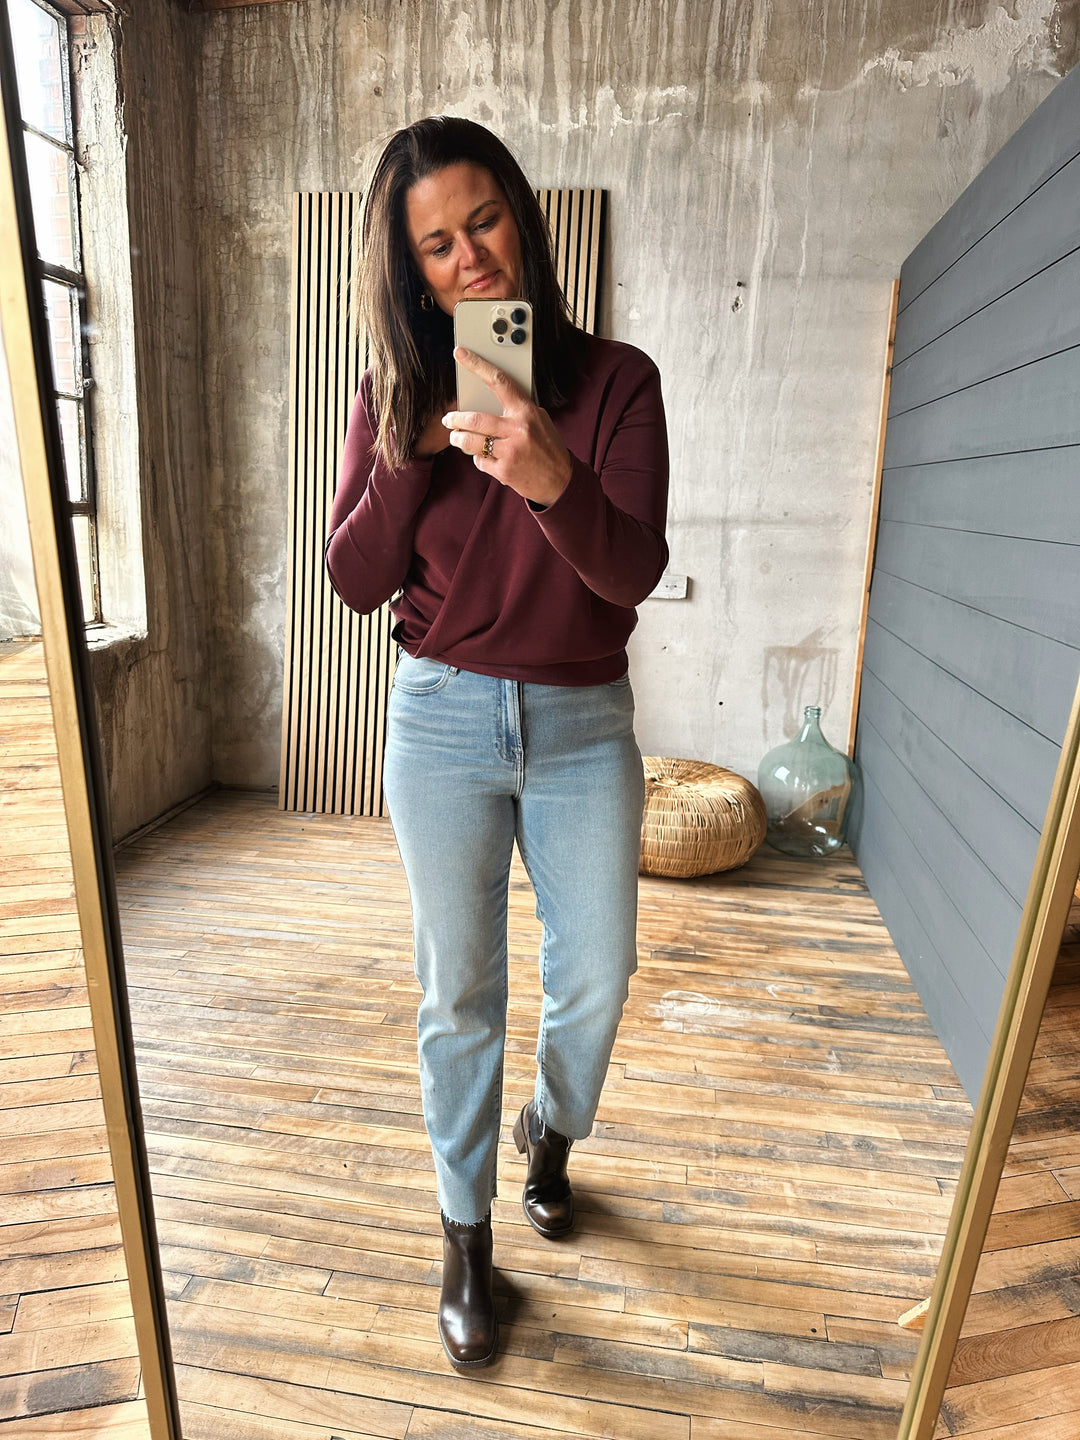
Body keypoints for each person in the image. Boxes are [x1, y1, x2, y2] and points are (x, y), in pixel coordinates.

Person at [325, 115, 669, 1372]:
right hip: (442, 716)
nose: (468, 259)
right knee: (457, 993)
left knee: (598, 977)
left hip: (583, 724)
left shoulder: (617, 381)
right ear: (409, 270)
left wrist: (552, 475)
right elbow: (354, 580)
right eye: (435, 245)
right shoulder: (392, 395)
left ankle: (553, 1133)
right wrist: (416, 451)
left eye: (482, 221)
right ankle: (466, 1240)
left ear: (520, 215)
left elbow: (630, 573)